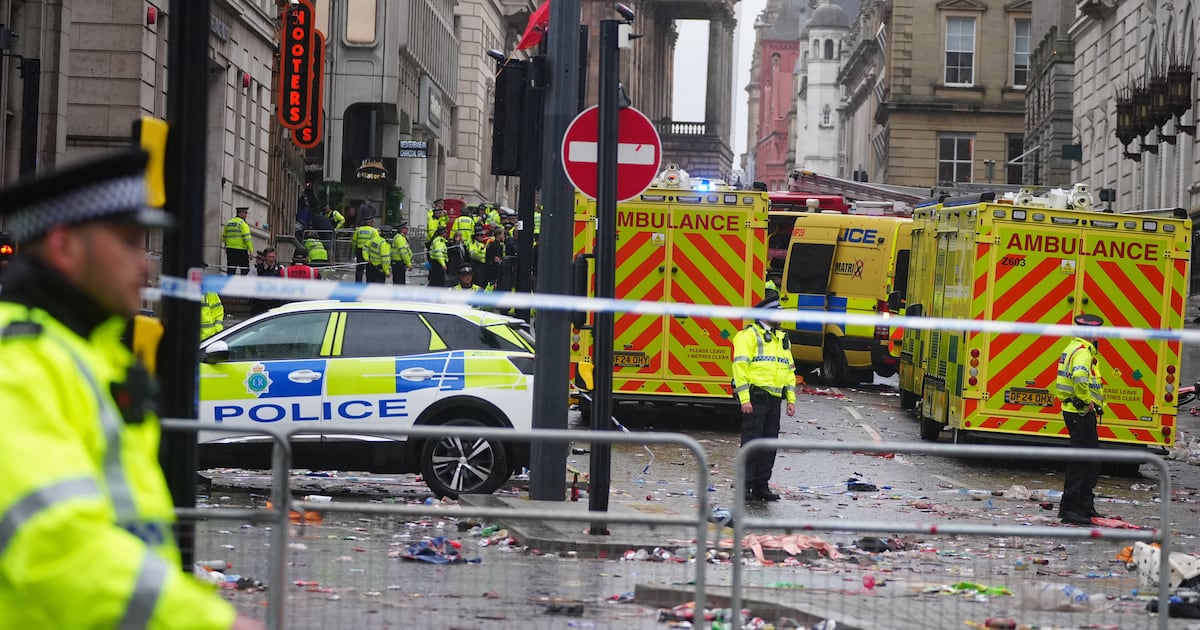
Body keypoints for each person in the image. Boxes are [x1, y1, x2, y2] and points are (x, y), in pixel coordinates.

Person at [0, 149, 264, 629]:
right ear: (64, 248)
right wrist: (205, 621)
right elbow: (53, 545)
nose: (145, 266)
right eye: (128, 243)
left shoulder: (88, 353)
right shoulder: (17, 365)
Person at [731, 293, 796, 501]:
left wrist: (791, 399)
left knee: (769, 444)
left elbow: (790, 370)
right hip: (755, 396)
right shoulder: (748, 336)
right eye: (777, 312)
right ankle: (745, 485)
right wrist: (744, 398)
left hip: (774, 399)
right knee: (751, 442)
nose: (781, 316)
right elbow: (739, 367)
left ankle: (761, 485)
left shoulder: (781, 338)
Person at [1055, 313, 1108, 525]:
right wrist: (1087, 400)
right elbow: (1078, 378)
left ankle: (1085, 507)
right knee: (1083, 462)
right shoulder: (1083, 352)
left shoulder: (1073, 347)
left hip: (1076, 411)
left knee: (1090, 460)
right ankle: (1071, 509)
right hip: (1080, 412)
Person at [250, 247, 284, 315]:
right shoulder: (256, 269)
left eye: (273, 257)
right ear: (265, 257)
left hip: (275, 303)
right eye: (269, 257)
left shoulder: (281, 269)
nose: (271, 259)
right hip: (260, 303)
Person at [222, 206, 253, 276]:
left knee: (231, 269)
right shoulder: (243, 224)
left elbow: (223, 237)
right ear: (241, 214)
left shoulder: (228, 223)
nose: (246, 215)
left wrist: (228, 245)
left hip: (230, 250)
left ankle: (229, 284)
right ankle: (243, 285)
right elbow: (247, 238)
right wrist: (251, 251)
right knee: (244, 269)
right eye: (245, 213)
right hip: (241, 250)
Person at [352, 215, 380, 283]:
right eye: (373, 222)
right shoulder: (374, 231)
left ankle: (358, 284)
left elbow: (354, 241)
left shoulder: (359, 230)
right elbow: (376, 242)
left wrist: (354, 251)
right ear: (370, 223)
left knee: (359, 268)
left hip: (360, 250)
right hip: (369, 251)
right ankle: (369, 283)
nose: (373, 223)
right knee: (370, 269)